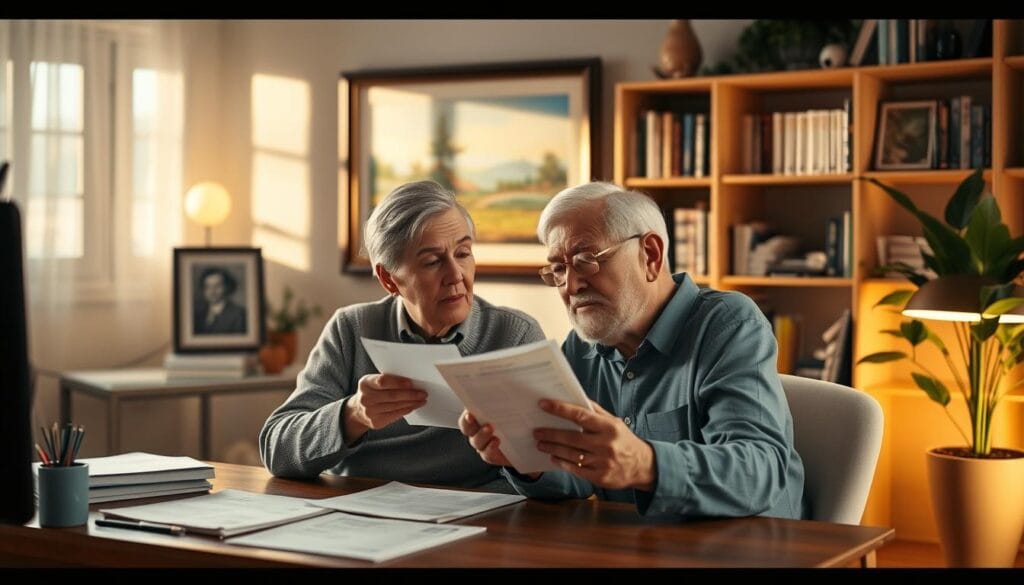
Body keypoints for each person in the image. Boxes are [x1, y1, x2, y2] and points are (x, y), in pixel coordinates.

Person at [460, 181, 805, 519]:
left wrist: (644, 463)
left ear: (650, 255)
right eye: (559, 269)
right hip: (642, 550)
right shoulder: (581, 349)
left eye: (585, 259)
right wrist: (527, 461)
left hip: (749, 548)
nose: (571, 286)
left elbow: (761, 472)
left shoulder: (728, 324)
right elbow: (577, 478)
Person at [259, 180, 545, 491]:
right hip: (365, 518)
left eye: (463, 253)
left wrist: (524, 460)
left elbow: (560, 476)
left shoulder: (513, 335)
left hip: (483, 520)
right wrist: (352, 414)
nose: (456, 276)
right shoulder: (352, 329)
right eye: (433, 261)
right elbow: (277, 449)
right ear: (389, 279)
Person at [193, 267, 247, 335]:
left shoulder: (239, 314)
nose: (212, 291)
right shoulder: (199, 314)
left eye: (217, 286)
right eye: (208, 286)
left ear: (227, 287)